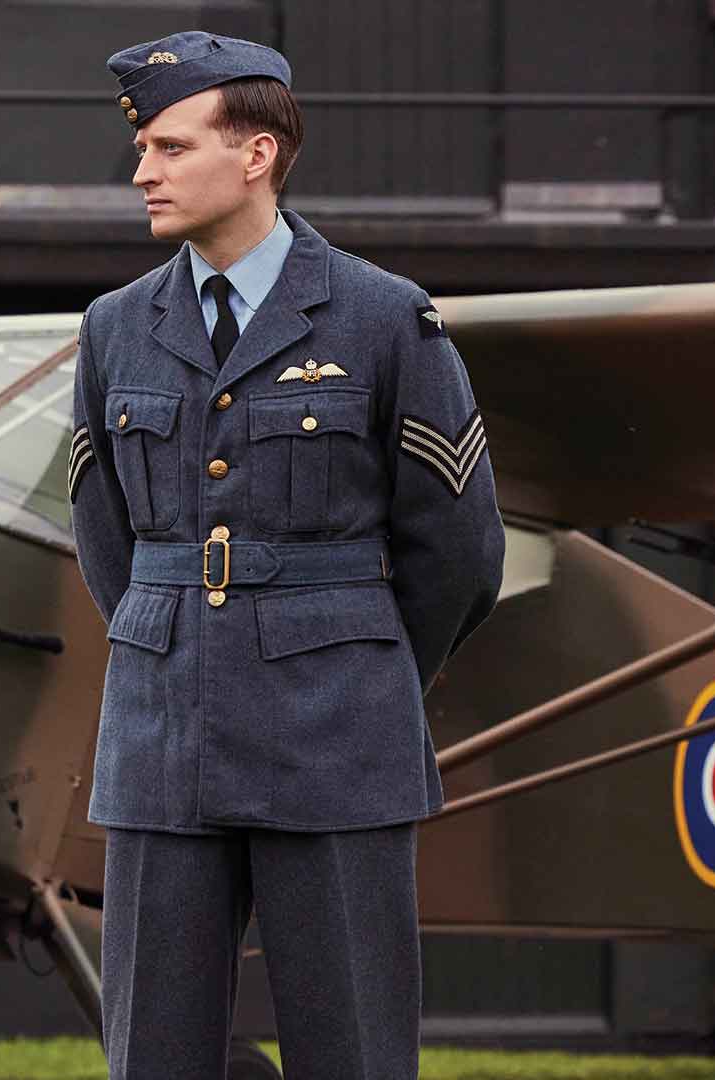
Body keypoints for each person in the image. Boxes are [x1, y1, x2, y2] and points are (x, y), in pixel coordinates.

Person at [67, 31, 505, 1080]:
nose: (143, 172)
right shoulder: (114, 328)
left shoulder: (383, 317)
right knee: (154, 1055)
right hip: (162, 741)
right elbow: (108, 542)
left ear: (256, 154)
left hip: (337, 739)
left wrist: (358, 668)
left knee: (351, 1051)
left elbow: (458, 550)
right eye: (144, 149)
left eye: (172, 147)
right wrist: (182, 648)